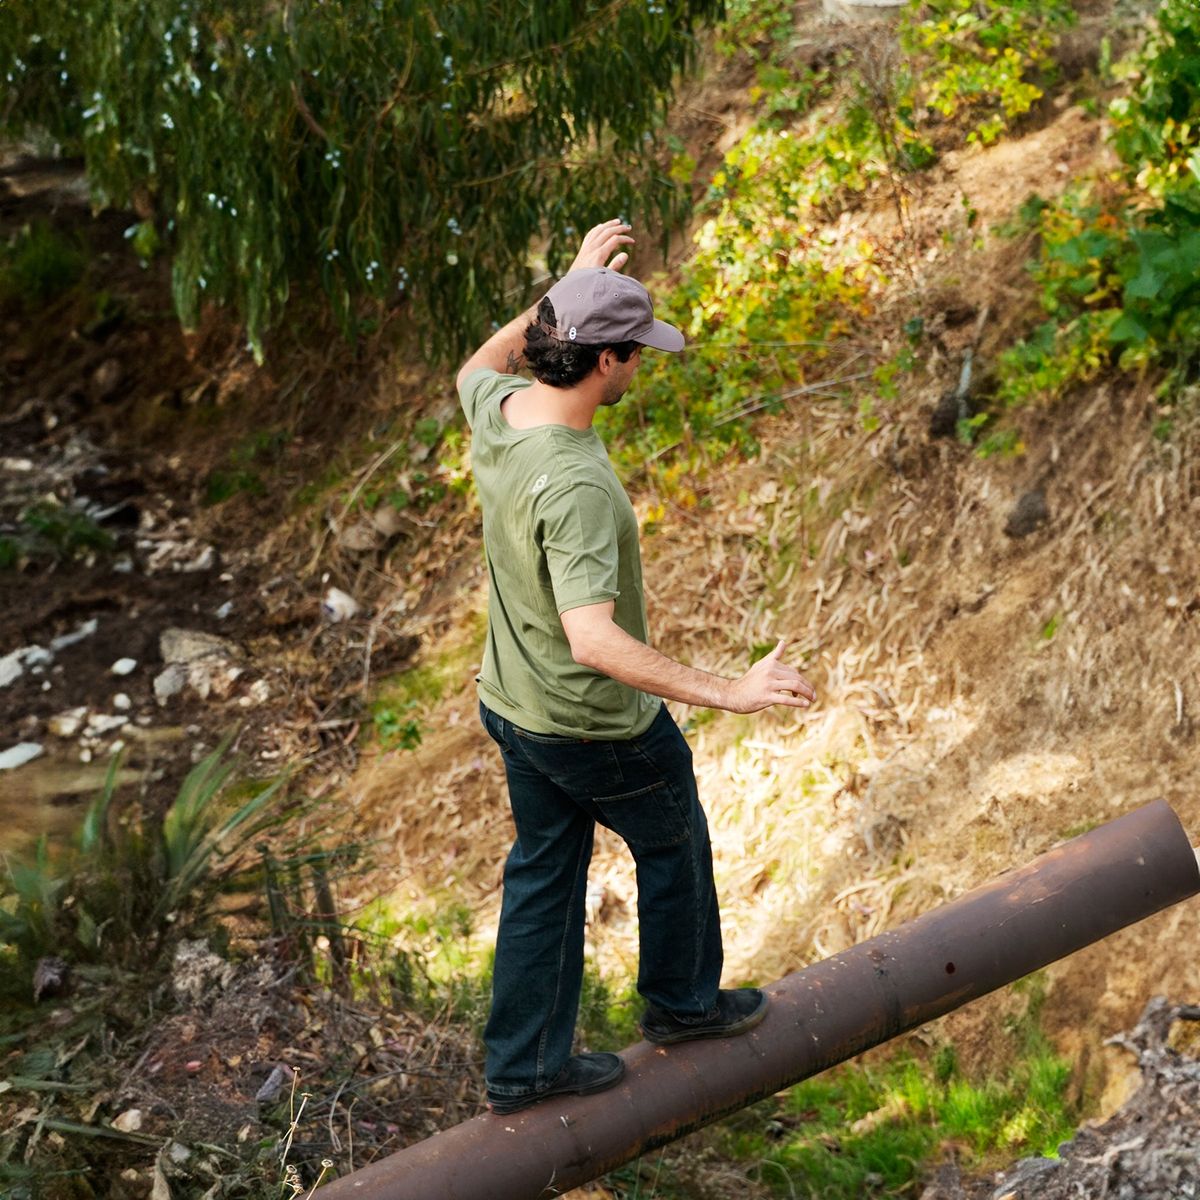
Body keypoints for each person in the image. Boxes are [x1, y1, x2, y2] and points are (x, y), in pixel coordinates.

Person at [456, 219, 817, 1116]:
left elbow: (473, 367)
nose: (644, 363)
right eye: (639, 351)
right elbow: (594, 640)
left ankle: (525, 1068)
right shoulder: (575, 479)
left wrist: (566, 287)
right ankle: (686, 1007)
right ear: (609, 361)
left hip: (513, 702)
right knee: (672, 837)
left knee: (543, 873)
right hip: (590, 721)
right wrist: (726, 691)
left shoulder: (498, 414)